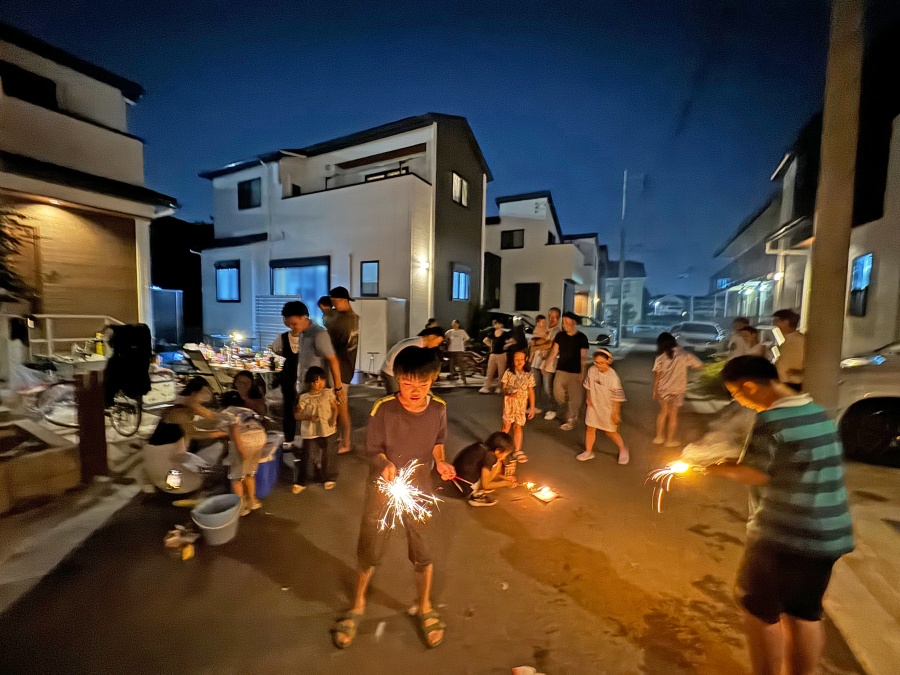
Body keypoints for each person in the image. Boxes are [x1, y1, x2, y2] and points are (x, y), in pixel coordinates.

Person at [705, 356, 854, 675]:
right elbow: (790, 462)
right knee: (804, 612)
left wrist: (720, 468)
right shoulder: (816, 411)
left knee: (760, 612)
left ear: (749, 386)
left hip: (786, 535)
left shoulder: (772, 420)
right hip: (828, 533)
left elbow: (754, 474)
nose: (738, 401)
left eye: (736, 394)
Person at [333, 346, 455, 650]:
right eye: (407, 382)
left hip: (420, 489)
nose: (414, 390)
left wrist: (441, 462)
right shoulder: (384, 409)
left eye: (423, 383)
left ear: (433, 380)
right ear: (397, 378)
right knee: (370, 546)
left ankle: (424, 606)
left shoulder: (438, 408)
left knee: (423, 549)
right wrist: (385, 464)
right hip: (383, 487)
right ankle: (357, 605)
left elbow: (438, 442)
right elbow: (373, 450)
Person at [270, 301, 345, 450]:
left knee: (322, 423)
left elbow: (333, 360)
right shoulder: (304, 333)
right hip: (306, 386)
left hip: (318, 386)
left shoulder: (319, 334)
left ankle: (324, 454)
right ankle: (309, 453)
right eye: (289, 324)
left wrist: (338, 387)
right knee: (308, 423)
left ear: (304, 317)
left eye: (294, 323)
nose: (292, 327)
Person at [220, 391, 268, 516]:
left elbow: (233, 429)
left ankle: (241, 507)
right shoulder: (248, 411)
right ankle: (253, 501)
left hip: (244, 441)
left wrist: (241, 449)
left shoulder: (227, 412)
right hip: (260, 438)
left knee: (236, 477)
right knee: (249, 473)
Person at [291, 366, 339, 493]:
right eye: (316, 381)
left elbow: (335, 408)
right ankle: (302, 480)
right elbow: (297, 415)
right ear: (310, 382)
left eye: (322, 380)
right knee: (307, 454)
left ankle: (328, 478)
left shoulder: (327, 393)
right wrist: (308, 417)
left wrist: (334, 419)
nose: (320, 383)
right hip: (310, 431)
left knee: (329, 453)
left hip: (327, 428)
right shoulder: (304, 397)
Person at [652, 332, 703, 447]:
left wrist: (655, 391)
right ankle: (670, 440)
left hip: (663, 389)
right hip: (677, 389)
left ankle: (659, 437)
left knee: (663, 412)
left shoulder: (660, 357)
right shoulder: (684, 355)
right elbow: (700, 365)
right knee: (673, 414)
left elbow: (657, 375)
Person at [579, 348, 629, 464]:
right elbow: (588, 385)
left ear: (608, 361)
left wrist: (615, 413)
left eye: (602, 362)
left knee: (610, 432)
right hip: (594, 405)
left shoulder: (613, 377)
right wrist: (588, 397)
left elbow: (617, 398)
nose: (598, 365)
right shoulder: (592, 370)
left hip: (608, 408)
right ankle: (588, 451)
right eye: (596, 362)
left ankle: (623, 449)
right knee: (590, 428)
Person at [544, 311, 589, 431]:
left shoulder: (582, 338)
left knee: (574, 397)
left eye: (566, 322)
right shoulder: (560, 336)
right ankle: (566, 408)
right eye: (563, 322)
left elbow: (583, 357)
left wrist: (582, 373)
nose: (564, 325)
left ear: (573, 322)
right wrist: (546, 363)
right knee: (557, 392)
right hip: (561, 369)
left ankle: (571, 419)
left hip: (575, 371)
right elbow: (554, 351)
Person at [328, 286, 359, 454]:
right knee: (339, 407)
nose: (333, 305)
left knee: (341, 408)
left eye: (335, 302)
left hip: (341, 369)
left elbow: (334, 344)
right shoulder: (353, 318)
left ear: (344, 300)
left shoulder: (345, 321)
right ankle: (342, 438)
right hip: (347, 367)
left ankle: (346, 442)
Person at [450, 431, 517, 507]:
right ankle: (475, 496)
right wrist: (506, 483)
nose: (504, 458)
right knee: (497, 463)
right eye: (505, 454)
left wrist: (504, 477)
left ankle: (476, 488)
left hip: (454, 476)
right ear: (498, 450)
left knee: (496, 463)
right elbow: (486, 485)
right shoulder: (490, 457)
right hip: (462, 488)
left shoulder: (481, 446)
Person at [380, 326, 446, 395]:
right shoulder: (414, 347)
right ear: (431, 337)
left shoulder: (416, 341)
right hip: (390, 371)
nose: (436, 345)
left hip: (392, 369)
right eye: (437, 342)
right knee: (398, 395)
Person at [500, 349, 536, 462]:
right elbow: (503, 388)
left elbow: (531, 391)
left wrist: (532, 407)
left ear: (526, 359)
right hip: (509, 404)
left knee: (518, 426)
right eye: (516, 359)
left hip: (521, 405)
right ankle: (500, 447)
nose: (519, 362)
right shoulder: (508, 373)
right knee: (506, 426)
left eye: (521, 359)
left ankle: (517, 450)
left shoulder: (528, 375)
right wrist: (508, 391)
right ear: (512, 360)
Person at [772, 309, 805, 391]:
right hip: (785, 381)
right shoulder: (789, 340)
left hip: (791, 382)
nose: (775, 324)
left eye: (777, 321)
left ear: (786, 322)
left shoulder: (798, 340)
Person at [539, 307, 562, 419]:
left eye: (555, 317)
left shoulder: (557, 331)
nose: (552, 319)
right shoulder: (546, 329)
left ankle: (553, 409)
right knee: (543, 387)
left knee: (548, 388)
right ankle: (544, 407)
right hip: (541, 362)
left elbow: (550, 346)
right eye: (550, 317)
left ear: (558, 318)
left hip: (550, 364)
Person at [479, 319, 512, 394]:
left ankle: (499, 387)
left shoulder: (505, 334)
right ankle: (486, 387)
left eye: (497, 323)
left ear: (500, 324)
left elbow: (513, 341)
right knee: (489, 372)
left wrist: (507, 345)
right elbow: (485, 340)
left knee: (501, 373)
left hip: (502, 355)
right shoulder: (492, 333)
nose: (495, 325)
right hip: (493, 354)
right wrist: (490, 346)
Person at [528, 314, 548, 412]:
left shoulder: (546, 331)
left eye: (544, 322)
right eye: (542, 322)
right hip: (536, 359)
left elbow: (544, 341)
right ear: (537, 322)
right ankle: (533, 405)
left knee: (543, 386)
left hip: (542, 359)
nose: (543, 324)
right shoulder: (537, 331)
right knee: (535, 383)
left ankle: (539, 405)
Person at [444, 319, 470, 384]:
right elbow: (445, 338)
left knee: (460, 364)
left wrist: (463, 342)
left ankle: (463, 378)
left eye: (454, 323)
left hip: (459, 349)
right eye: (452, 323)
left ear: (458, 324)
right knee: (451, 364)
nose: (453, 324)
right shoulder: (449, 332)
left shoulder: (462, 331)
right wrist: (447, 342)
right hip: (451, 349)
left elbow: (467, 338)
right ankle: (453, 376)